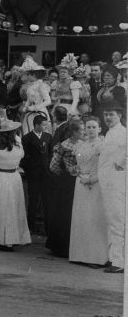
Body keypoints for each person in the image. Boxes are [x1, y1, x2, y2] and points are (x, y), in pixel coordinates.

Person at [0, 119, 31, 251]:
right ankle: (11, 238)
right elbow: (21, 157)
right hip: (14, 178)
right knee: (13, 208)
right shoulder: (19, 147)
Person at [69, 116, 108, 266]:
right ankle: (80, 255)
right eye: (88, 127)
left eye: (94, 127)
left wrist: (92, 178)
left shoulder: (102, 145)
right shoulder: (80, 145)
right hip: (80, 183)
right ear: (84, 129)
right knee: (81, 218)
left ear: (99, 129)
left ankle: (96, 258)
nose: (91, 130)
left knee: (94, 219)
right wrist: (77, 172)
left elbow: (105, 167)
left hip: (95, 183)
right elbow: (76, 165)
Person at [47, 119, 84, 258]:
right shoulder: (64, 145)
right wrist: (66, 174)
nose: (84, 133)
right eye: (81, 130)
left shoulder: (82, 143)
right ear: (74, 132)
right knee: (66, 213)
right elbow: (53, 166)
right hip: (68, 183)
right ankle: (63, 247)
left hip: (75, 180)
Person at [98, 102, 127, 273]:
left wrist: (121, 165)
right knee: (111, 220)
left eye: (111, 115)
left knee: (117, 221)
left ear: (120, 116)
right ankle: (113, 258)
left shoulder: (123, 133)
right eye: (106, 115)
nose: (108, 118)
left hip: (117, 184)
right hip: (107, 183)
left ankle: (119, 262)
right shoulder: (109, 133)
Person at [20, 115, 53, 234]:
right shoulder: (27, 138)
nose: (46, 126)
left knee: (47, 200)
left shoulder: (48, 137)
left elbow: (51, 155)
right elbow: (23, 158)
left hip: (46, 174)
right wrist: (28, 169)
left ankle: (48, 228)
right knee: (33, 200)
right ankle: (30, 227)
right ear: (37, 125)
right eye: (44, 124)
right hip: (33, 174)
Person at [19, 57, 51, 135]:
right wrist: (25, 107)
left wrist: (35, 108)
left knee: (39, 132)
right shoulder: (30, 86)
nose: (24, 77)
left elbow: (48, 101)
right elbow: (29, 99)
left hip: (40, 112)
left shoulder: (41, 85)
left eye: (26, 75)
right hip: (29, 113)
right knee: (28, 131)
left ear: (30, 75)